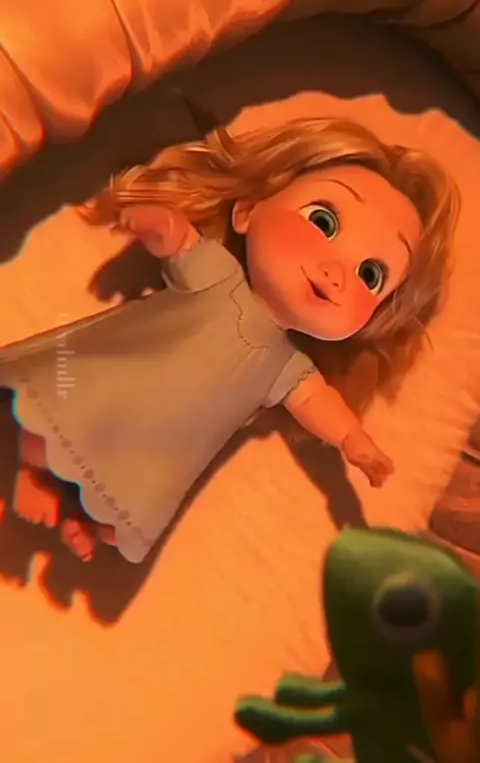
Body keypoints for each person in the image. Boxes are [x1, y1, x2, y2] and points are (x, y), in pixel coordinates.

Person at [0, 117, 459, 563]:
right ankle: (34, 469)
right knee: (65, 419)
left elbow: (316, 401)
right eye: (323, 221)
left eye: (371, 275)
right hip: (124, 377)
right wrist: (154, 221)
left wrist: (352, 439)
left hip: (165, 444)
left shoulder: (286, 366)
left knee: (121, 501)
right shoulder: (218, 277)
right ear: (248, 210)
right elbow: (179, 241)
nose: (337, 273)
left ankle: (79, 517)